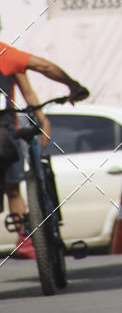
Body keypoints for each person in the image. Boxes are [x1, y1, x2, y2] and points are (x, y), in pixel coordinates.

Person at [0, 40, 89, 259]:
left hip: (6, 135)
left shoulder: (8, 57)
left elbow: (28, 92)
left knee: (13, 187)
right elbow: (44, 66)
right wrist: (73, 86)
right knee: (14, 187)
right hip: (6, 135)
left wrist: (42, 119)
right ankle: (26, 238)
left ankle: (24, 237)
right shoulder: (4, 53)